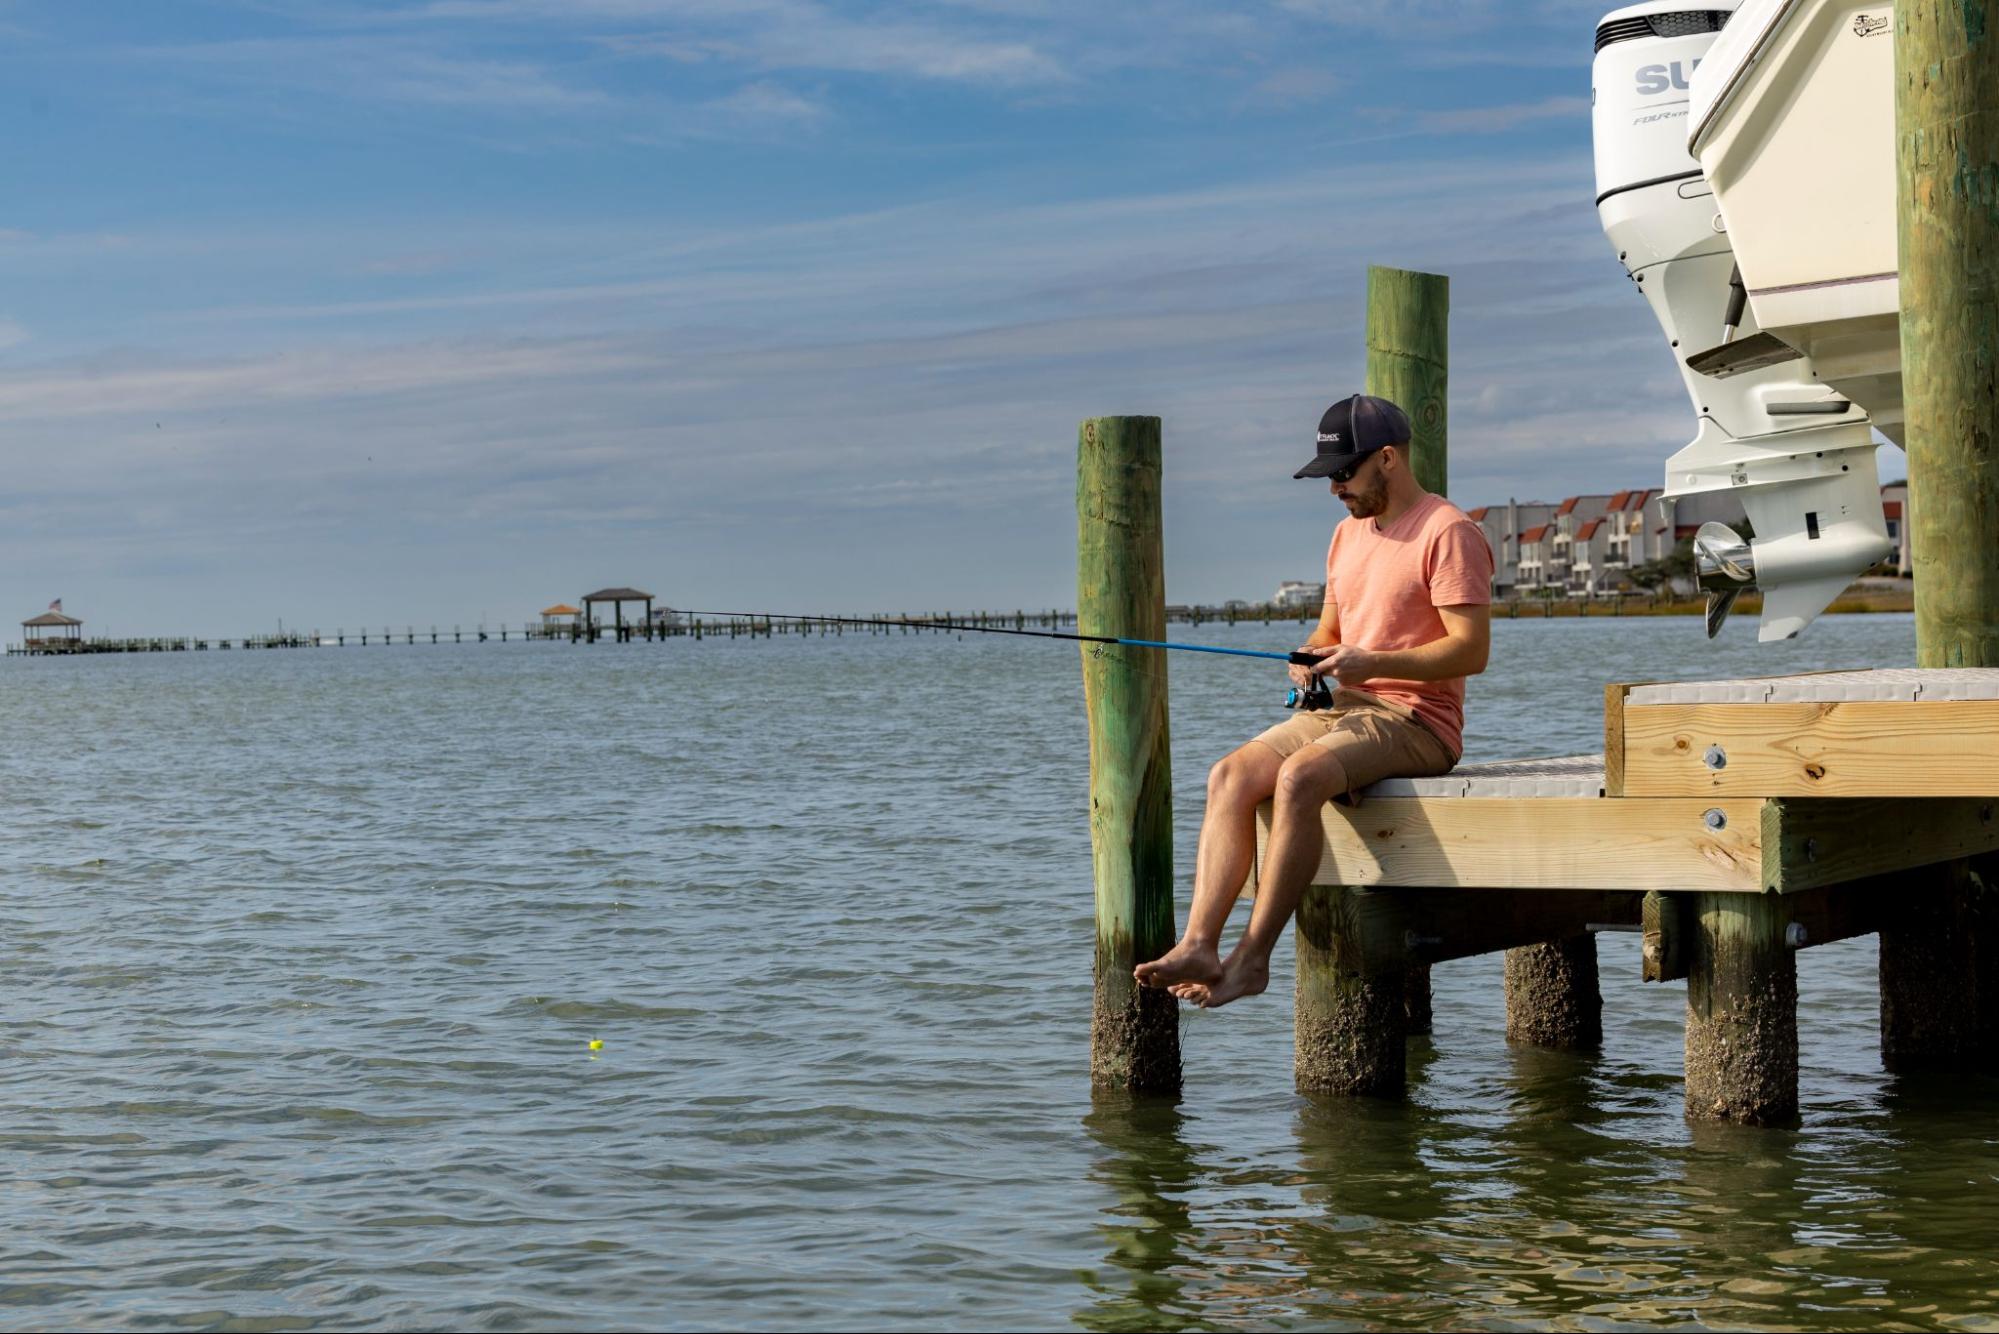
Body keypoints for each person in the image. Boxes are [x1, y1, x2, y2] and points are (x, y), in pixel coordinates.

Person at [1134, 393, 1494, 1008]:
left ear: (1387, 459)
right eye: (1328, 477)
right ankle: (1199, 942)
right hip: (1344, 710)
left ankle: (1251, 960)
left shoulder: (1448, 531)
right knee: (1230, 774)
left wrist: (1372, 661)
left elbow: (1470, 651)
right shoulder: (1345, 536)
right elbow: (1329, 630)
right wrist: (1310, 656)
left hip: (1418, 721)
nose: (1334, 488)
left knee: (1300, 778)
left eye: (1342, 473)